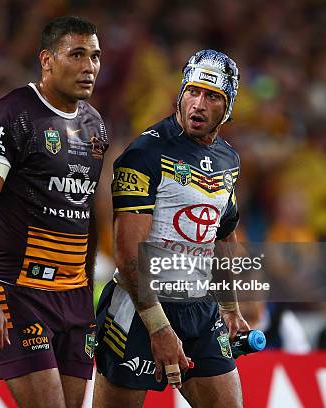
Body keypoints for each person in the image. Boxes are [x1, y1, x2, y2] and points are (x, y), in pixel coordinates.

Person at [0, 16, 108, 408]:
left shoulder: (95, 126)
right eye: (76, 54)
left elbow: (85, 212)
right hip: (21, 293)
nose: (88, 66)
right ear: (46, 59)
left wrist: (88, 288)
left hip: (75, 298)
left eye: (94, 56)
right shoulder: (8, 116)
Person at [93, 49, 250, 407]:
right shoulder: (144, 153)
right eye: (192, 91)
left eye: (212, 96)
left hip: (199, 306)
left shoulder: (229, 159)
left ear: (226, 108)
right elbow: (127, 253)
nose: (198, 103)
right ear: (180, 93)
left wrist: (229, 307)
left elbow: (224, 232)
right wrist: (159, 327)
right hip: (139, 310)